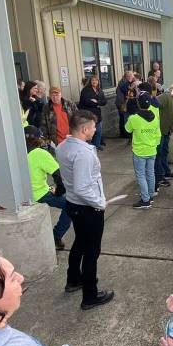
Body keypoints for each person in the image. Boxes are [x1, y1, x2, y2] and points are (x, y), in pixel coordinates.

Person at [56, 113, 114, 310]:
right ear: (84, 130)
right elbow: (82, 187)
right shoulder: (83, 153)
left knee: (80, 243)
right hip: (88, 208)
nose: (95, 129)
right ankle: (90, 295)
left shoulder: (63, 146)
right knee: (91, 251)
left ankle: (73, 279)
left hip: (73, 204)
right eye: (93, 127)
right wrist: (99, 202)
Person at [25, 126, 72, 250]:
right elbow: (59, 176)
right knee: (70, 206)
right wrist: (58, 192)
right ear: (38, 139)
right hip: (38, 194)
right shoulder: (39, 153)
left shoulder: (16, 153)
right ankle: (56, 236)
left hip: (21, 194)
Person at [125, 92, 162, 209]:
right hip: (152, 150)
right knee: (150, 173)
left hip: (139, 151)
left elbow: (127, 130)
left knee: (141, 175)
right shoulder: (155, 118)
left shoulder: (133, 118)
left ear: (138, 103)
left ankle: (145, 200)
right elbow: (157, 135)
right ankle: (150, 195)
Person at [78, 73, 107, 149]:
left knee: (98, 131)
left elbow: (104, 101)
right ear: (90, 81)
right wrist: (96, 104)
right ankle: (89, 147)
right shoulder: (86, 90)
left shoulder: (99, 90)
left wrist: (97, 102)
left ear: (98, 81)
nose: (94, 82)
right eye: (92, 80)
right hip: (89, 114)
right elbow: (85, 101)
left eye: (96, 80)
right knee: (90, 132)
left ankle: (96, 146)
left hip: (97, 114)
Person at [116, 70, 136, 138]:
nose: (132, 77)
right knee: (124, 118)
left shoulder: (127, 82)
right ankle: (125, 134)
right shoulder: (123, 83)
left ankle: (123, 133)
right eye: (130, 76)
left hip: (125, 103)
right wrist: (130, 82)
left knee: (123, 118)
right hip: (122, 103)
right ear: (127, 76)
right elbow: (125, 90)